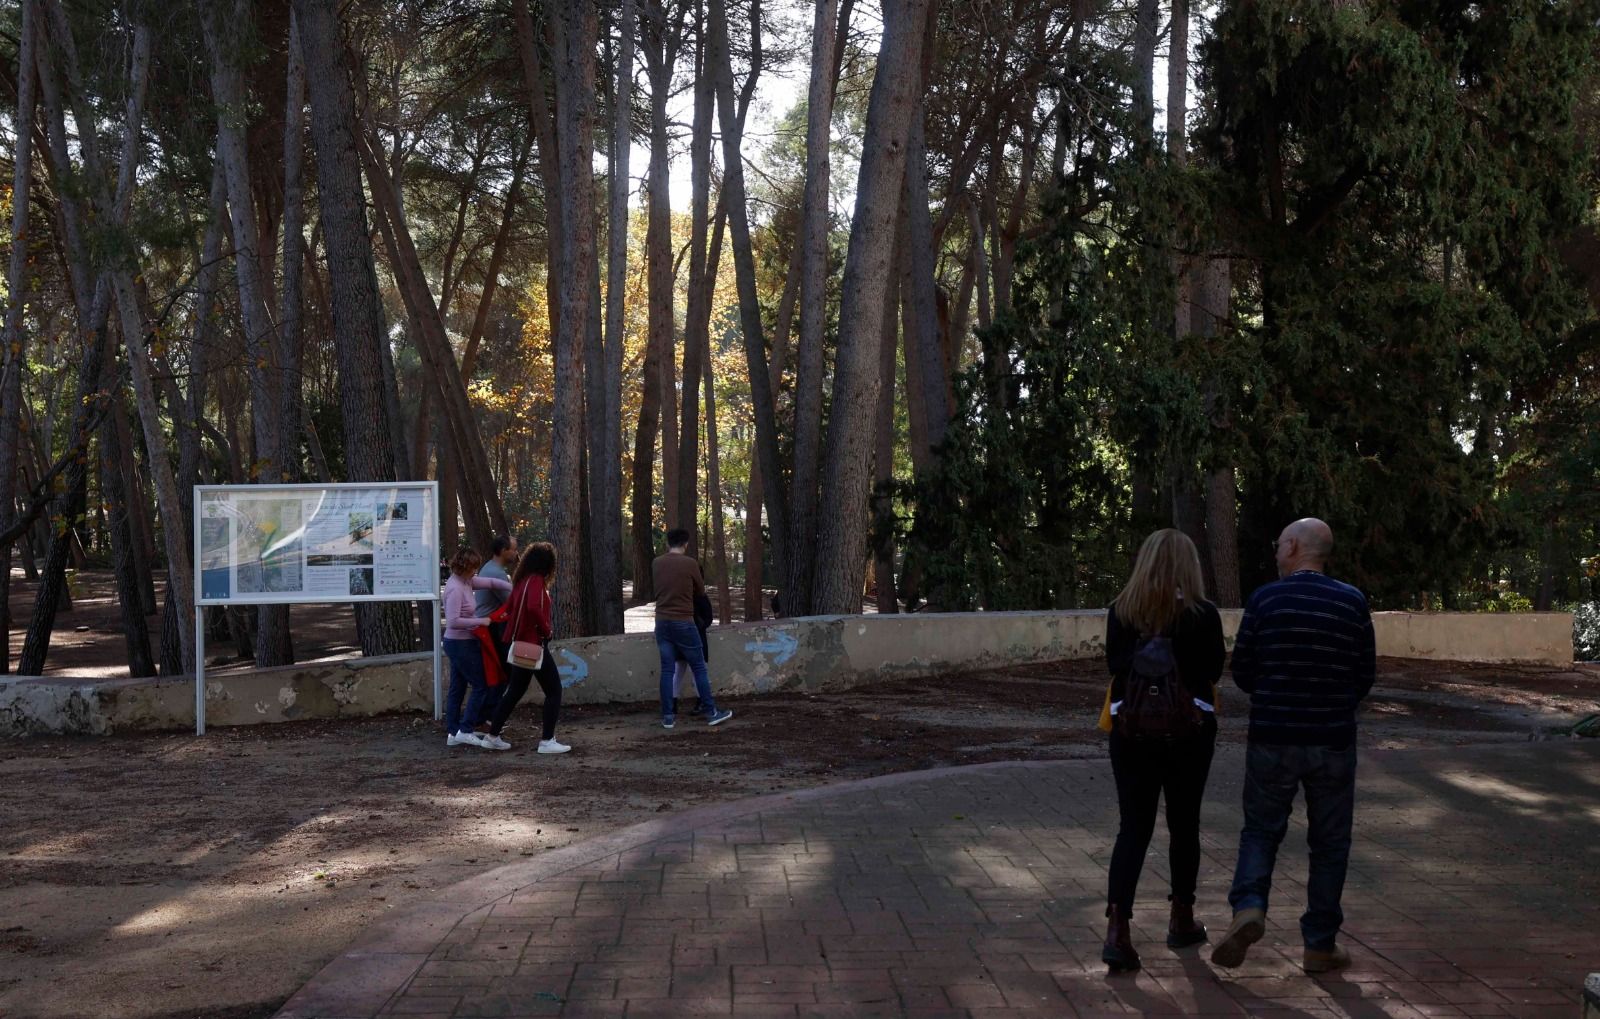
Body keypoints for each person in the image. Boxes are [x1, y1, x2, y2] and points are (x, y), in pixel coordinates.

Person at [1211, 518, 1376, 975]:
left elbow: (1243, 670)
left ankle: (1248, 906)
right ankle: (1320, 944)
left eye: (1278, 543)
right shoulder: (1352, 602)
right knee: (1330, 843)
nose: (1275, 551)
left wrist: (1275, 690)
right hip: (1333, 739)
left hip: (1274, 736)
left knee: (1261, 830)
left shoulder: (1265, 600)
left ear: (1294, 547)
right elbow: (1364, 675)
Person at [1098, 529, 1225, 973]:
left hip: (1131, 733)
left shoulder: (1121, 612)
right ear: (1188, 566)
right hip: (1188, 734)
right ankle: (1181, 917)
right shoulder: (1202, 615)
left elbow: (1115, 666)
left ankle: (1118, 927)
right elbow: (1212, 670)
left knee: (1132, 828)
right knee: (1184, 824)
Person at [486, 541, 569, 754]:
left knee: (514, 691)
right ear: (547, 563)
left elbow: (512, 607)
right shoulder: (537, 581)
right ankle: (547, 740)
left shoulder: (521, 580)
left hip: (520, 643)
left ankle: (492, 735)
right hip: (534, 643)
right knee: (554, 690)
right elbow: (533, 607)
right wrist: (547, 630)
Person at [653, 528, 731, 728]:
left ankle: (668, 716)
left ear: (667, 543)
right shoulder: (690, 564)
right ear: (685, 544)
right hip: (684, 621)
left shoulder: (657, 563)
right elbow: (700, 591)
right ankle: (711, 711)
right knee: (698, 668)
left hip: (661, 622)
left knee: (667, 670)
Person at [441, 546, 512, 750]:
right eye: (473, 567)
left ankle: (453, 732)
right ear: (464, 567)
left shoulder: (466, 581)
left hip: (462, 642)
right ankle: (466, 729)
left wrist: (510, 587)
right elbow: (453, 621)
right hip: (459, 643)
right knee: (481, 684)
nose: (476, 572)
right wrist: (481, 621)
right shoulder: (455, 587)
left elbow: (489, 582)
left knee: (458, 687)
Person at [474, 536, 519, 726]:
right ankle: (490, 714)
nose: (516, 553)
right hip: (493, 628)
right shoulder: (497, 574)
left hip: (489, 625)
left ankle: (487, 714)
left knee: (497, 672)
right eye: (513, 549)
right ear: (502, 550)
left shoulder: (490, 568)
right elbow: (512, 603)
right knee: (502, 671)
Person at [673, 590, 716, 716]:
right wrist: (699, 626)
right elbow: (708, 618)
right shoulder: (700, 596)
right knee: (697, 671)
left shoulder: (680, 595)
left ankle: (671, 704)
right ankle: (701, 702)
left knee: (678, 671)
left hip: (681, 637)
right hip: (696, 639)